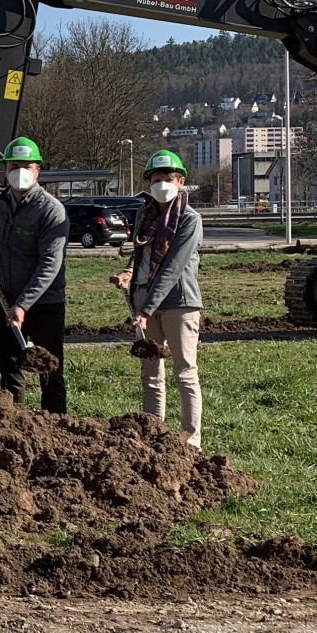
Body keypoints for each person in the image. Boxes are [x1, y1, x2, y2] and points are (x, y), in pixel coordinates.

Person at [116, 149, 204, 447]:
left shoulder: (189, 219)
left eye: (168, 179)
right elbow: (141, 252)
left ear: (181, 182)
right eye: (156, 179)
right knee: (151, 374)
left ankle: (191, 443)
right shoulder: (145, 214)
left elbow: (172, 267)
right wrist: (129, 272)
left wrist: (145, 310)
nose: (162, 185)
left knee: (185, 373)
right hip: (144, 301)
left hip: (179, 303)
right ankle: (154, 437)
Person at [0, 135, 69, 413]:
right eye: (14, 166)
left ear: (38, 171)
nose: (19, 172)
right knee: (9, 364)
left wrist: (23, 304)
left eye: (26, 166)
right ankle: (14, 421)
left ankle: (55, 424)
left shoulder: (51, 210)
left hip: (44, 303)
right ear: (5, 170)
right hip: (8, 299)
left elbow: (50, 263)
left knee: (49, 367)